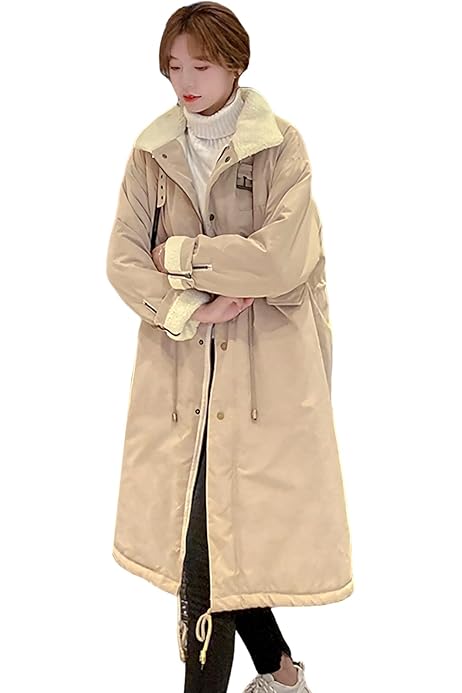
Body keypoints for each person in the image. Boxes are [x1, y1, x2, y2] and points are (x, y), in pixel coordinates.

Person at [106, 3, 354, 692]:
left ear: (235, 65)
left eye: (201, 66)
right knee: (211, 541)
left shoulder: (282, 147)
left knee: (213, 550)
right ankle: (282, 676)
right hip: (182, 378)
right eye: (173, 67)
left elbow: (280, 261)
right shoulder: (152, 153)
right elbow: (122, 261)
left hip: (262, 383)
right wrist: (192, 306)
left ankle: (268, 678)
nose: (184, 82)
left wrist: (178, 255)